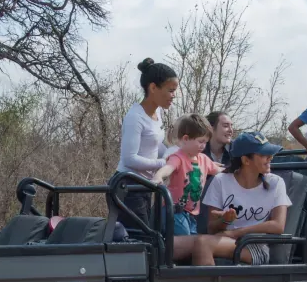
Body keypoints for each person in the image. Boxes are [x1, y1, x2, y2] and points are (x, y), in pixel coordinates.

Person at [192, 132, 293, 266]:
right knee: (174, 245)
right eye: (263, 154)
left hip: (254, 245)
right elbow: (212, 228)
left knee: (202, 243)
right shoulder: (221, 181)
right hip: (224, 238)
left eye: (270, 154)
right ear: (246, 160)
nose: (270, 157)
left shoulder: (276, 183)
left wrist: (235, 233)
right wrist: (225, 220)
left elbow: (278, 226)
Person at [113, 58, 179, 230]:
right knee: (140, 239)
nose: (174, 96)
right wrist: (162, 163)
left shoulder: (157, 112)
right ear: (153, 88)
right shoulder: (135, 117)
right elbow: (129, 159)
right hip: (127, 186)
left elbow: (155, 146)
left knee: (150, 238)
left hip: (144, 186)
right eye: (170, 90)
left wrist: (175, 154)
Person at [152, 114, 223, 259]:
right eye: (200, 142)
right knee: (184, 244)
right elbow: (168, 168)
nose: (203, 146)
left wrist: (236, 170)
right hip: (176, 212)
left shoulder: (203, 159)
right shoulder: (178, 157)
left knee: (194, 244)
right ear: (185, 139)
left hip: (191, 214)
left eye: (205, 142)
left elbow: (219, 171)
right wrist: (159, 176)